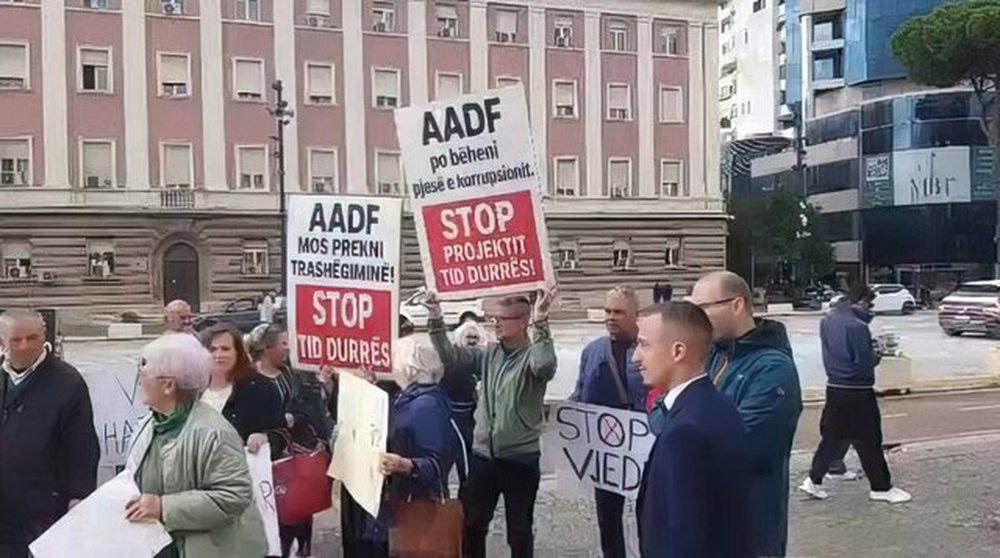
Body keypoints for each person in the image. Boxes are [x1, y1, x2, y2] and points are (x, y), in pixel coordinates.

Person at [427, 287, 558, 558]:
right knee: (473, 525)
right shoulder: (490, 354)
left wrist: (542, 321)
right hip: (484, 456)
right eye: (494, 318)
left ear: (522, 322)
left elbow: (545, 366)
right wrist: (436, 318)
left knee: (519, 530)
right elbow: (451, 356)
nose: (494, 322)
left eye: (503, 318)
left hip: (520, 458)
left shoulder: (532, 356)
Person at [688, 271, 802, 558]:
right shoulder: (713, 354)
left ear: (736, 305)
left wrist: (683, 429)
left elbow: (739, 444)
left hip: (750, 529)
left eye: (702, 309)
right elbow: (663, 414)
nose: (696, 319)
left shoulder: (773, 368)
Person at [125, 333, 267, 557]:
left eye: (144, 372)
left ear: (168, 385)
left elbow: (234, 496)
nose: (140, 379)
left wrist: (164, 507)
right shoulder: (151, 423)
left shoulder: (214, 433)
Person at [633, 302, 754, 558]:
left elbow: (681, 539)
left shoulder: (685, 432)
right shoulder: (715, 405)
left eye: (644, 344)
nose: (635, 357)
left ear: (678, 351)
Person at [0, 310, 100, 558]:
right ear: (2, 342)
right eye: (16, 339)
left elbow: (83, 445)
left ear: (44, 336)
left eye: (32, 338)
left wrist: (79, 496)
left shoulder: (67, 382)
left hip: (45, 511)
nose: (25, 346)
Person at [799, 287, 912, 504]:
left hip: (834, 386)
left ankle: (814, 479)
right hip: (858, 390)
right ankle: (881, 487)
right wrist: (876, 355)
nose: (870, 310)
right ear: (860, 302)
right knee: (869, 439)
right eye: (869, 305)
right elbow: (863, 363)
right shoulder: (858, 327)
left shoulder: (828, 319)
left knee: (832, 437)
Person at [571, 287, 647, 558]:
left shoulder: (649, 348)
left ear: (635, 315)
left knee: (649, 515)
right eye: (607, 311)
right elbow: (581, 392)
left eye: (618, 312)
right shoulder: (592, 351)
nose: (610, 317)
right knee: (608, 518)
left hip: (644, 447)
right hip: (607, 450)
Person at [251, 323, 329, 557]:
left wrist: (319, 388)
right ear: (267, 347)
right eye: (283, 343)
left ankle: (303, 550)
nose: (288, 349)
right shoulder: (250, 379)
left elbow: (305, 406)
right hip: (268, 460)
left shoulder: (289, 373)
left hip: (297, 455)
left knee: (302, 509)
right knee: (278, 518)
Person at [440, 319, 486, 475]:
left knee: (467, 462)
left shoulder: (482, 360)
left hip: (471, 418)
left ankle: (466, 493)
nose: (472, 341)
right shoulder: (453, 359)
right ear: (460, 339)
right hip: (451, 416)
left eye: (475, 338)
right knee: (448, 460)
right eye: (469, 337)